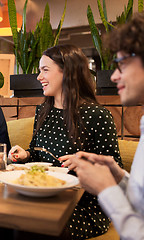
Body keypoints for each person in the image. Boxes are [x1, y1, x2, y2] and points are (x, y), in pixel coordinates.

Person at [8, 44, 122, 239]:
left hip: (83, 207)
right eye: (39, 71)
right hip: (44, 197)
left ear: (67, 72)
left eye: (45, 70)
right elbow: (38, 153)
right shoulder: (43, 111)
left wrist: (83, 164)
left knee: (30, 225)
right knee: (4, 219)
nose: (38, 77)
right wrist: (25, 155)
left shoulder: (97, 115)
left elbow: (114, 172)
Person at [67, 13, 144, 240]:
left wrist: (107, 189)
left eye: (121, 64)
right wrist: (119, 176)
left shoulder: (96, 114)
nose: (113, 77)